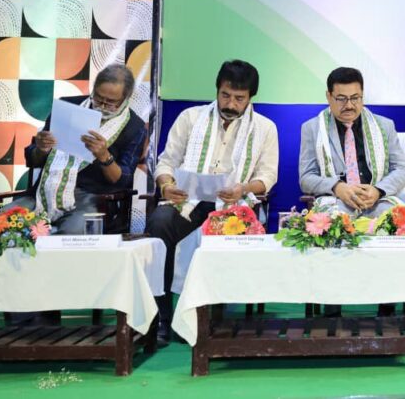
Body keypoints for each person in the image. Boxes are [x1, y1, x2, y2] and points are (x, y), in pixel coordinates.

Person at [146, 60, 278, 342]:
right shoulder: (190, 118)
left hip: (234, 204)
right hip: (188, 199)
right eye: (225, 95)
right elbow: (166, 162)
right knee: (159, 224)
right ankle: (162, 318)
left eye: (239, 98)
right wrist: (167, 186)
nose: (230, 104)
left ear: (251, 97)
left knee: (228, 230)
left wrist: (243, 188)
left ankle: (211, 318)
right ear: (217, 90)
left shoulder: (265, 128)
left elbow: (267, 177)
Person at [18, 64, 146, 234]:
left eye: (111, 102)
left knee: (73, 234)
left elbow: (123, 180)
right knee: (0, 224)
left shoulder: (135, 127)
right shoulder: (67, 106)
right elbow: (32, 159)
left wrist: (104, 156)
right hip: (43, 194)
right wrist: (41, 149)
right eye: (98, 98)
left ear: (126, 98)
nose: (102, 105)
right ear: (94, 89)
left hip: (92, 199)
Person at [298, 67, 405, 217]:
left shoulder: (385, 126)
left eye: (355, 98)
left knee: (396, 221)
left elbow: (402, 169)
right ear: (329, 96)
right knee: (334, 221)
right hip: (336, 201)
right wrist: (337, 187)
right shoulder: (312, 128)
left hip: (378, 201)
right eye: (341, 99)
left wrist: (378, 190)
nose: (349, 105)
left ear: (362, 96)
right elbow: (306, 178)